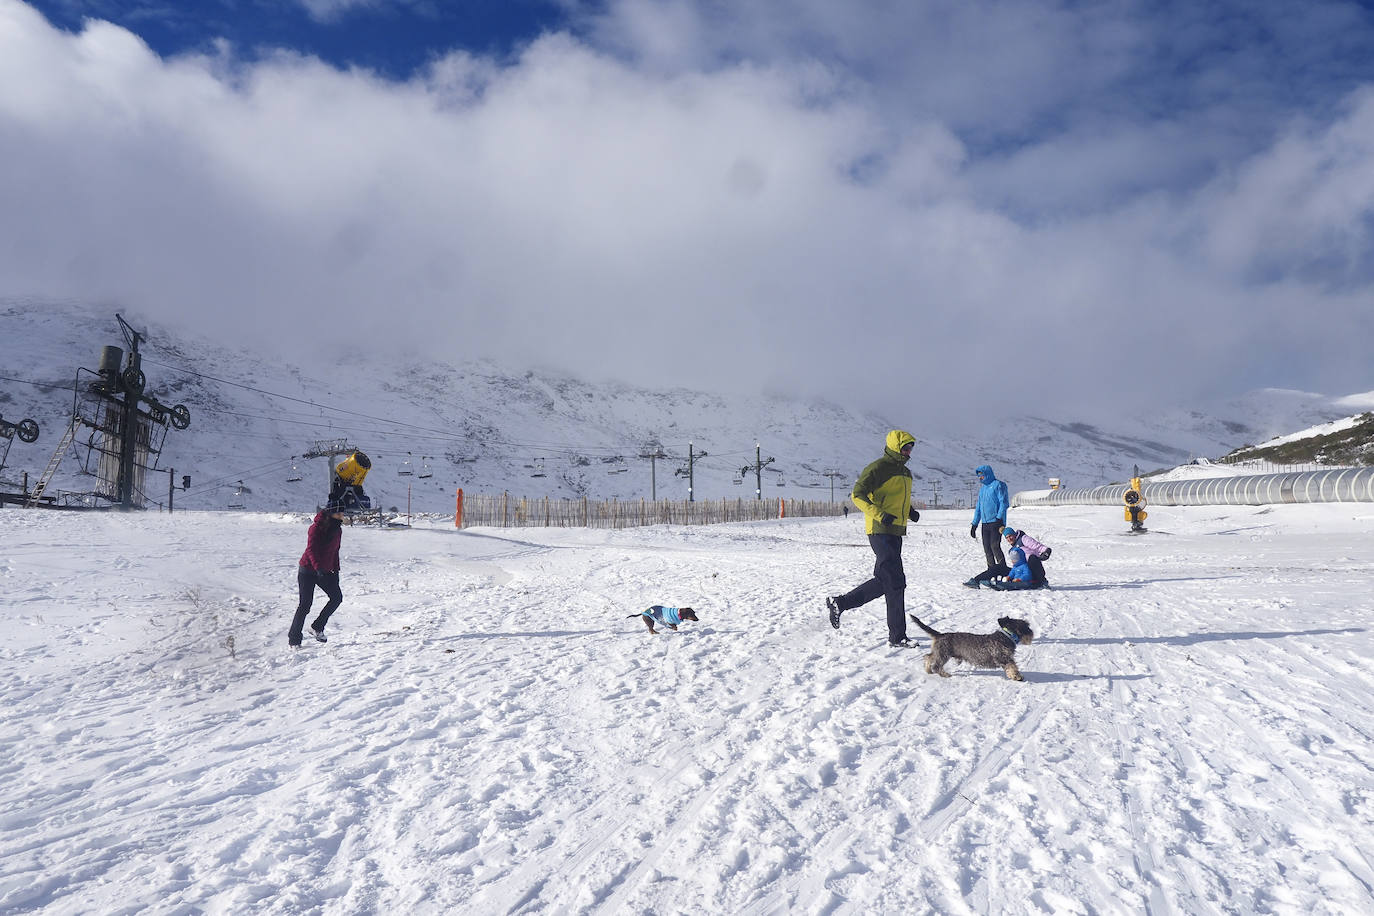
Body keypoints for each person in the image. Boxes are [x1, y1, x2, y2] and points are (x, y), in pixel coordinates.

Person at [826, 430, 922, 648]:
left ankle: (839, 603)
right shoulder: (878, 468)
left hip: (896, 531)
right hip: (879, 530)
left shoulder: (906, 473)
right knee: (896, 582)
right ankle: (897, 637)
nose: (909, 452)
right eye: (905, 448)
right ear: (896, 447)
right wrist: (879, 514)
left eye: (911, 448)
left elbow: (897, 499)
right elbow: (857, 495)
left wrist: (909, 512)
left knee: (887, 581)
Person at [289, 504, 346, 647]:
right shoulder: (315, 528)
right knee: (305, 605)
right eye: (339, 514)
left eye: (342, 514)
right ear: (331, 514)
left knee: (336, 598)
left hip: (324, 571)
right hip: (307, 571)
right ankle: (294, 640)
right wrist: (318, 568)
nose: (342, 517)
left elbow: (335, 551)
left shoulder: (338, 530)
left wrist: (336, 571)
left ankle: (317, 627)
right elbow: (311, 550)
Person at [970, 464, 1009, 573]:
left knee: (994, 546)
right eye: (979, 476)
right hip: (985, 524)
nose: (980, 478)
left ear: (987, 474)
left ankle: (1003, 570)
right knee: (987, 548)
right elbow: (978, 507)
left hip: (996, 522)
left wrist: (999, 518)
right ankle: (991, 571)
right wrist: (974, 524)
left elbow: (1004, 503)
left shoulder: (998, 485)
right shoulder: (983, 489)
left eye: (981, 475)